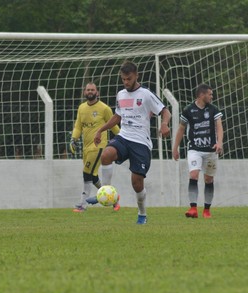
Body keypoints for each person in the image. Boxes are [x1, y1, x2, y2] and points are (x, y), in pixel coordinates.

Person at [92, 60, 171, 224]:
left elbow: (165, 111)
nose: (126, 82)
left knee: (136, 183)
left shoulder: (146, 94)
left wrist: (164, 124)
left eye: (129, 79)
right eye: (123, 79)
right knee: (106, 155)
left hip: (141, 142)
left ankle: (142, 213)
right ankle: (106, 192)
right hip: (124, 136)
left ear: (136, 76)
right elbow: (117, 116)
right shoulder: (121, 94)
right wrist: (100, 130)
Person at [172, 84, 224, 219]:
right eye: (210, 94)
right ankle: (193, 208)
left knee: (208, 179)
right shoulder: (188, 110)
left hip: (211, 151)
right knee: (194, 175)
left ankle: (206, 210)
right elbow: (181, 129)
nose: (212, 97)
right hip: (194, 149)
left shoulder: (213, 110)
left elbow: (219, 127)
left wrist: (219, 143)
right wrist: (175, 147)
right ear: (202, 95)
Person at [70, 82, 120, 212]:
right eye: (88, 90)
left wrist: (123, 139)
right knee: (93, 177)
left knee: (86, 173)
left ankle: (82, 205)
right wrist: (73, 139)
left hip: (98, 147)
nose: (90, 92)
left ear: (97, 92)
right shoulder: (81, 108)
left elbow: (113, 126)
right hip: (86, 148)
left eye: (92, 90)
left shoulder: (104, 108)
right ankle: (113, 198)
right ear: (84, 92)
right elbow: (78, 127)